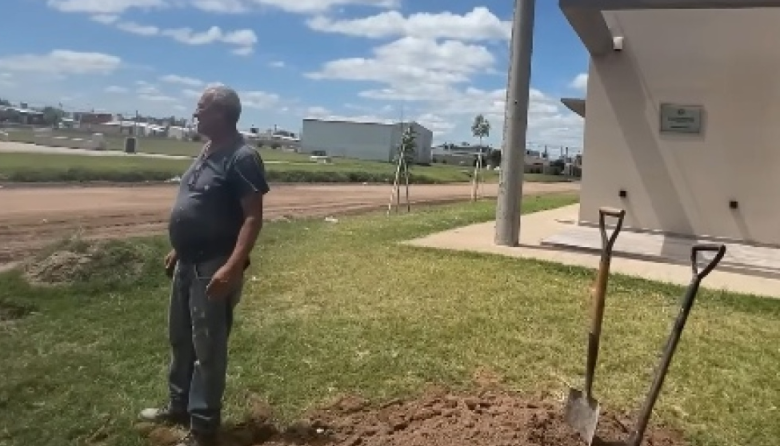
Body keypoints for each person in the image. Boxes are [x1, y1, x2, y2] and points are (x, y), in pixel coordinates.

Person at [139, 85, 270, 446]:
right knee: (181, 339)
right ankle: (178, 406)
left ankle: (203, 428)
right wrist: (178, 248)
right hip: (188, 262)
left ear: (221, 113)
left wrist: (233, 266)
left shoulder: (242, 157)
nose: (195, 114)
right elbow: (201, 204)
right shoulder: (208, 150)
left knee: (208, 348)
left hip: (214, 266)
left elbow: (252, 217)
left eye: (201, 108)